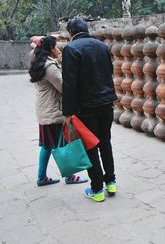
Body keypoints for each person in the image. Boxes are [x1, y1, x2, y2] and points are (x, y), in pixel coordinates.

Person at [62, 17, 117, 202]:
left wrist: (67, 112)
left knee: (90, 147)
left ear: (70, 32)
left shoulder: (71, 48)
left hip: (85, 107)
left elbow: (69, 84)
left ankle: (97, 190)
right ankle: (111, 182)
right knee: (105, 142)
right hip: (106, 103)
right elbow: (109, 72)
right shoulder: (101, 46)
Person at [29, 36, 88, 186]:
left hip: (45, 110)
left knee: (47, 145)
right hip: (53, 111)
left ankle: (41, 177)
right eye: (55, 47)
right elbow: (63, 87)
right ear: (50, 49)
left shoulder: (40, 62)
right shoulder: (49, 67)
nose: (58, 50)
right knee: (63, 143)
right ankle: (70, 176)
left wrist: (58, 61)